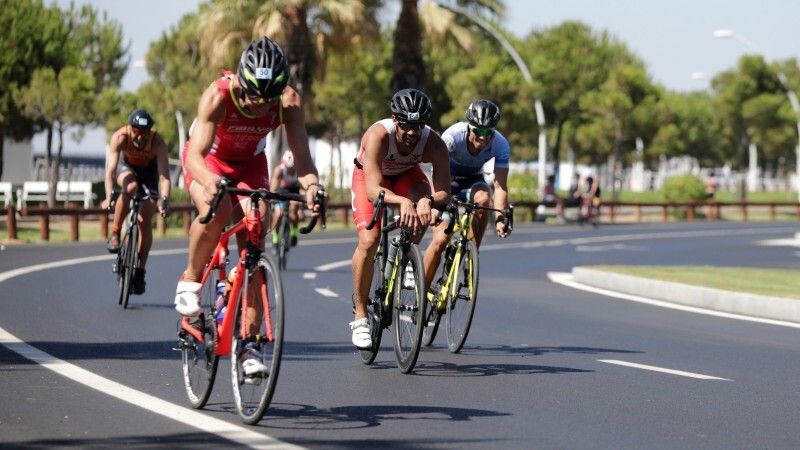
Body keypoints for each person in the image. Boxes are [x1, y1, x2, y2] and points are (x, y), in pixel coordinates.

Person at [174, 36, 322, 376]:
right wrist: (209, 181)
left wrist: (312, 187)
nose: (260, 108)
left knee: (257, 233)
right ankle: (191, 279)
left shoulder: (289, 102)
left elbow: (302, 159)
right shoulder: (218, 95)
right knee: (219, 207)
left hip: (249, 164)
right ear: (241, 82)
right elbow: (195, 156)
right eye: (253, 98)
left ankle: (251, 346)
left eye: (268, 101)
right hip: (208, 161)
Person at [349, 88, 451, 349]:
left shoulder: (434, 143)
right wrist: (402, 201)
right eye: (406, 125)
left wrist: (428, 200)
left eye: (417, 126)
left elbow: (444, 191)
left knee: (423, 207)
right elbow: (372, 191)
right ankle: (360, 315)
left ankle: (406, 257)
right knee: (370, 241)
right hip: (371, 180)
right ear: (395, 120)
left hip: (407, 174)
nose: (411, 133)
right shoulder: (378, 135)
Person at [423, 99, 512, 292]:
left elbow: (500, 186)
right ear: (469, 127)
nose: (483, 137)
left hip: (472, 179)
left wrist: (499, 218)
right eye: (478, 131)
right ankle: (422, 290)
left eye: (488, 132)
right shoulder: (453, 136)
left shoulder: (501, 144)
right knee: (440, 240)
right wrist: (434, 206)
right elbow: (434, 172)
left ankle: (472, 254)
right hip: (445, 180)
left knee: (483, 200)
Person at [101, 108, 171, 295]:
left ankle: (140, 270)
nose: (140, 136)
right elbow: (109, 172)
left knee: (144, 218)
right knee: (130, 187)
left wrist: (164, 200)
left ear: (150, 132)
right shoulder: (120, 138)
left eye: (144, 132)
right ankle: (115, 233)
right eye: (136, 132)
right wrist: (109, 196)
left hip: (149, 174)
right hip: (126, 168)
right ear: (130, 129)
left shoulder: (157, 143)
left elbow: (164, 176)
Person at [270, 150, 303, 247]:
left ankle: (294, 232)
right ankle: (275, 236)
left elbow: (303, 187)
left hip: (294, 192)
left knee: (294, 209)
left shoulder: (299, 171)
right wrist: (272, 198)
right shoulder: (279, 170)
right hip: (281, 193)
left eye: (292, 167)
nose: (290, 169)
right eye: (288, 167)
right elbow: (273, 187)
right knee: (278, 214)